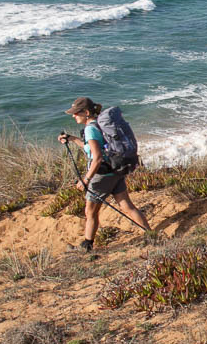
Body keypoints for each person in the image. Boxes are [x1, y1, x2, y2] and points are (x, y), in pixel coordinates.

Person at [58, 97, 151, 251]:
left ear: (86, 112)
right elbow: (92, 147)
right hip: (115, 171)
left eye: (76, 113)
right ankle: (151, 234)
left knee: (90, 211)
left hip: (101, 177)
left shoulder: (90, 129)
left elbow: (97, 158)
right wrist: (72, 139)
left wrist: (86, 180)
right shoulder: (99, 124)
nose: (74, 116)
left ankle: (87, 245)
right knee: (127, 206)